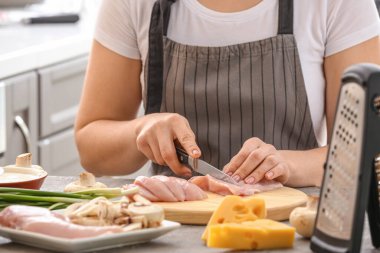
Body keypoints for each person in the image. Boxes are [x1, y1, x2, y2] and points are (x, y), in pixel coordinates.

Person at [75, 0, 380, 187]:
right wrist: (140, 130)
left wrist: (290, 165)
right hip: (169, 232)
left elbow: (372, 152)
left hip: (292, 231)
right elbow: (91, 146)